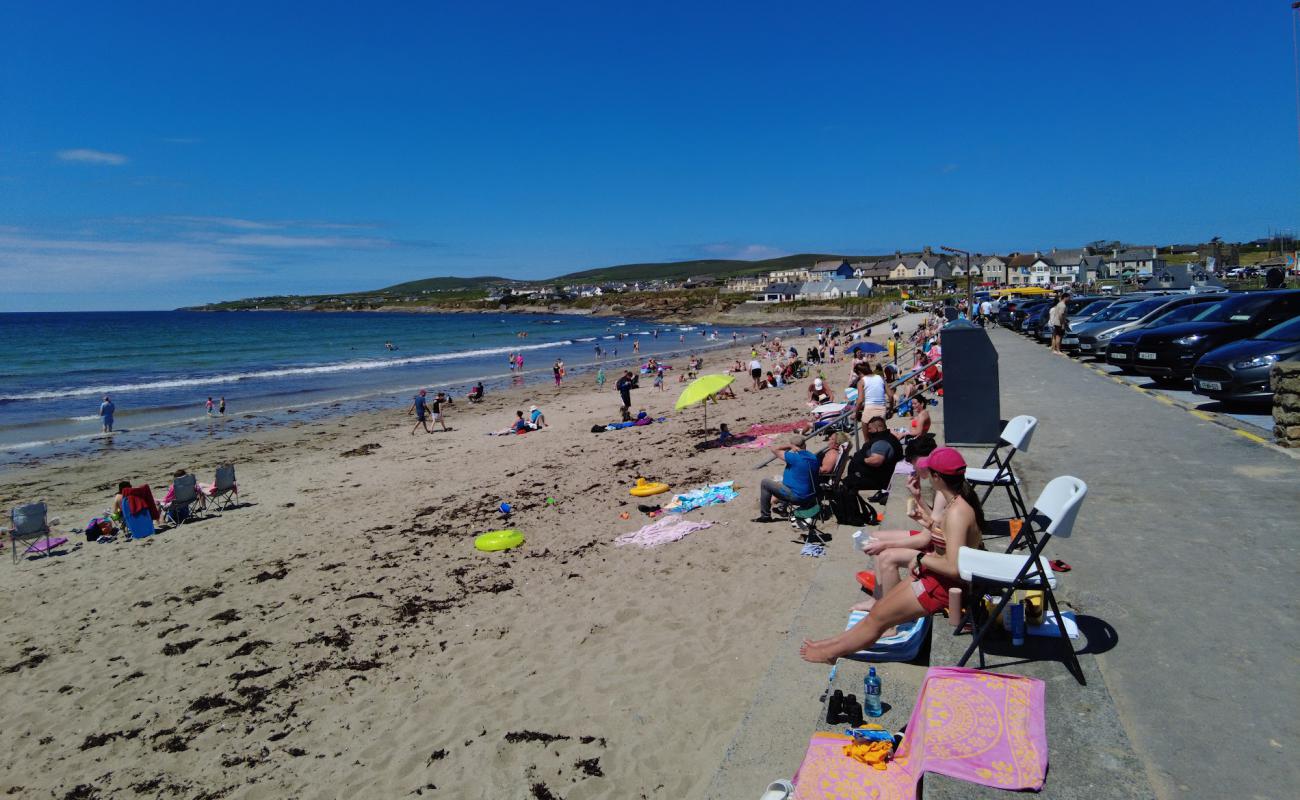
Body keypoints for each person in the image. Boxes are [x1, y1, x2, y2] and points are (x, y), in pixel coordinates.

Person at [800, 447, 985, 664]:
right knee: (879, 609)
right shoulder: (957, 503)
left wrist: (918, 559)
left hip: (944, 588)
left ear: (936, 477)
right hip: (934, 578)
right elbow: (946, 538)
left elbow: (954, 567)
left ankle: (831, 653)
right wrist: (926, 522)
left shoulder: (957, 512)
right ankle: (831, 645)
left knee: (880, 618)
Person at [852, 434, 941, 608]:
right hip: (935, 536)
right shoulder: (937, 480)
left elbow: (926, 538)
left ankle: (888, 607)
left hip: (938, 547)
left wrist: (886, 545)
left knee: (882, 551)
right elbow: (935, 522)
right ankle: (877, 599)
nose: (913, 470)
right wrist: (918, 496)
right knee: (877, 537)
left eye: (914, 464)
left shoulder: (941, 487)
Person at [753, 435, 819, 523]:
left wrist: (789, 446)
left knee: (765, 483)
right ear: (805, 445)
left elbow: (774, 449)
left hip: (798, 497)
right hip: (810, 495)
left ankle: (765, 516)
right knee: (784, 481)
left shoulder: (794, 458)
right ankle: (782, 509)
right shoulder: (813, 457)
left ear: (794, 447)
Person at [843, 416, 902, 501]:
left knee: (846, 483)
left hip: (878, 480)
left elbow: (876, 460)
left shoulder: (881, 442)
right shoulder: (889, 437)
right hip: (877, 476)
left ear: (877, 429)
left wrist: (861, 460)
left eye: (870, 428)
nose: (868, 431)